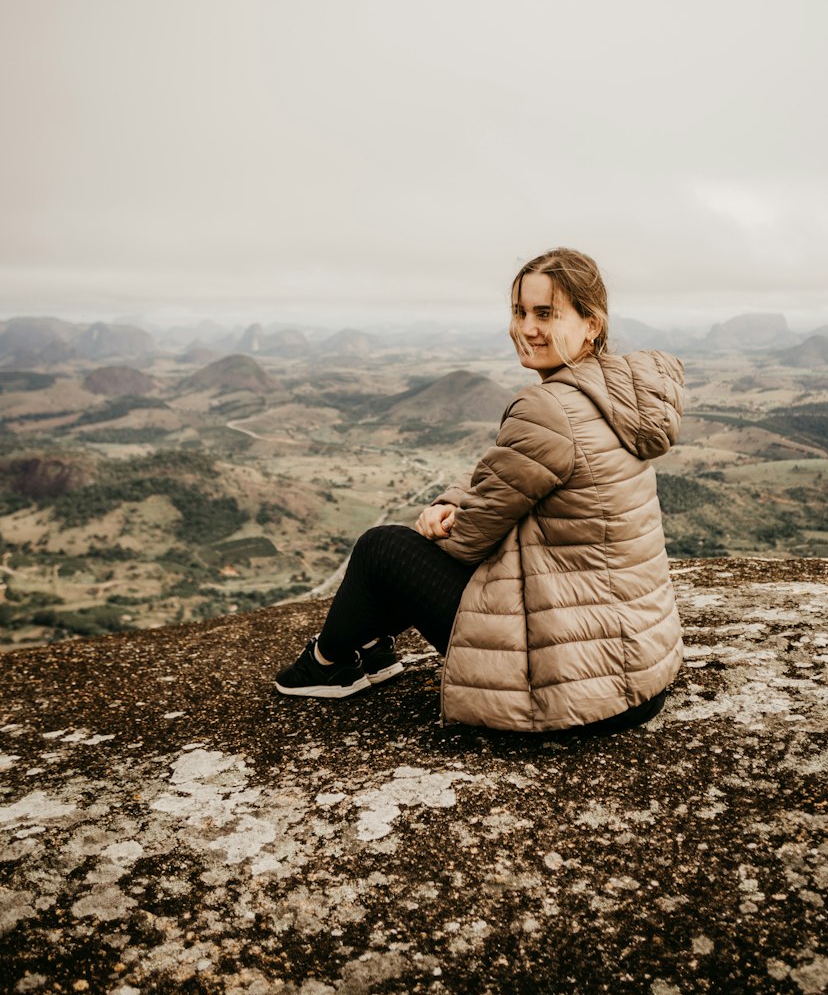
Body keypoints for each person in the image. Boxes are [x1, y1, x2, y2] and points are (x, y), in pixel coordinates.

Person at [275, 247, 685, 734]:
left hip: (572, 686)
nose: (526, 328)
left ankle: (328, 661)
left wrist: (441, 521)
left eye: (546, 313)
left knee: (382, 548)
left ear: (591, 324)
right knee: (403, 552)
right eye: (520, 311)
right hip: (636, 675)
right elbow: (507, 474)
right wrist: (451, 499)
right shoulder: (614, 396)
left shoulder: (547, 408)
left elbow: (469, 541)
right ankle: (373, 651)